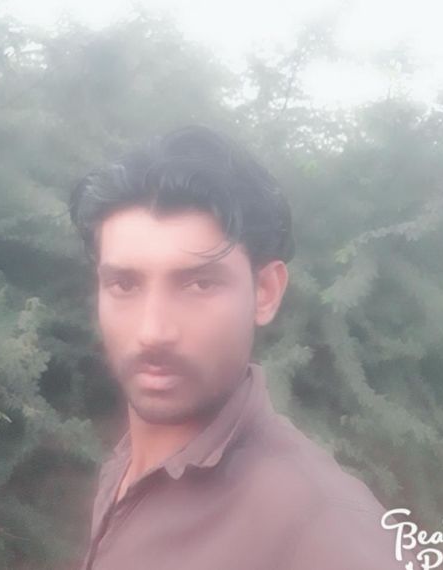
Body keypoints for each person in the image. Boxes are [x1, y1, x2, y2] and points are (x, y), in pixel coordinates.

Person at [69, 125, 408, 570]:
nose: (152, 331)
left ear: (265, 291)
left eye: (198, 284)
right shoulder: (128, 462)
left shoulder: (326, 531)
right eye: (124, 284)